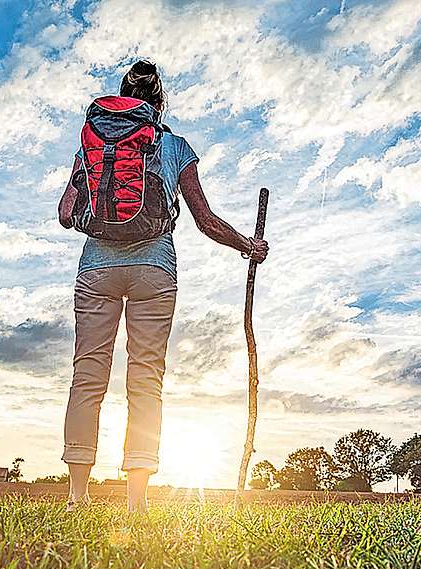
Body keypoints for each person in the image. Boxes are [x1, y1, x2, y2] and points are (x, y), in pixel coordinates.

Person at [57, 60, 269, 512]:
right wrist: (247, 246)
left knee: (87, 374)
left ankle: (77, 497)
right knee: (146, 377)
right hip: (156, 267)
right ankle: (136, 501)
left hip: (95, 267)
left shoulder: (91, 147)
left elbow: (64, 212)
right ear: (159, 103)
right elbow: (205, 221)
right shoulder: (174, 145)